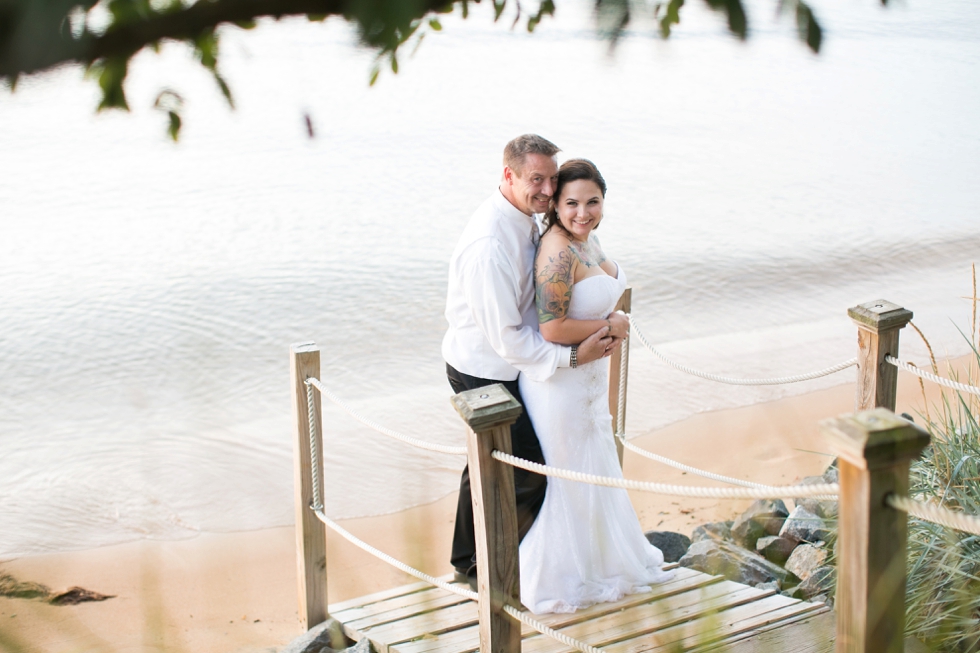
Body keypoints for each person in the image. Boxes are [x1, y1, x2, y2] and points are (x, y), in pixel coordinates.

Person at [442, 135, 628, 584]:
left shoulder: (530, 217)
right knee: (522, 467)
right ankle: (487, 567)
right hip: (485, 368)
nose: (546, 190)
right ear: (508, 175)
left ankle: (477, 559)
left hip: (520, 360)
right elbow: (506, 337)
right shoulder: (489, 244)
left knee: (492, 463)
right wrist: (570, 355)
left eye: (550, 178)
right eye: (535, 179)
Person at [518, 158, 673, 614]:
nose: (582, 212)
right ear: (556, 205)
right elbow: (551, 328)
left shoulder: (588, 240)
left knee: (596, 465)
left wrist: (618, 319)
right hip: (561, 385)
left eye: (592, 202)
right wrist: (609, 323)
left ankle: (603, 562)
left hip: (588, 378)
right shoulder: (557, 252)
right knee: (570, 476)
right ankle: (561, 577)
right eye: (571, 203)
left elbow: (611, 279)